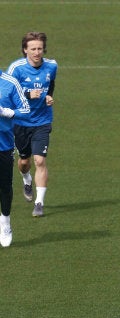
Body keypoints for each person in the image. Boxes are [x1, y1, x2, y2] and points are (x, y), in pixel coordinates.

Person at [7, 31, 58, 217]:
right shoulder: (16, 69)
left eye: (39, 48)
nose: (37, 52)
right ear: (25, 50)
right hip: (21, 121)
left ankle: (39, 203)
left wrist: (49, 95)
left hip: (42, 121)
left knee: (40, 160)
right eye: (33, 49)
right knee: (24, 162)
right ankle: (26, 179)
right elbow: (6, 94)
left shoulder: (52, 65)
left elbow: (50, 83)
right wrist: (28, 95)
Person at [0, 71, 31, 247]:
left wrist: (6, 112)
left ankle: (5, 222)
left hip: (3, 145)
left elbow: (25, 110)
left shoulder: (10, 83)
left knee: (4, 186)